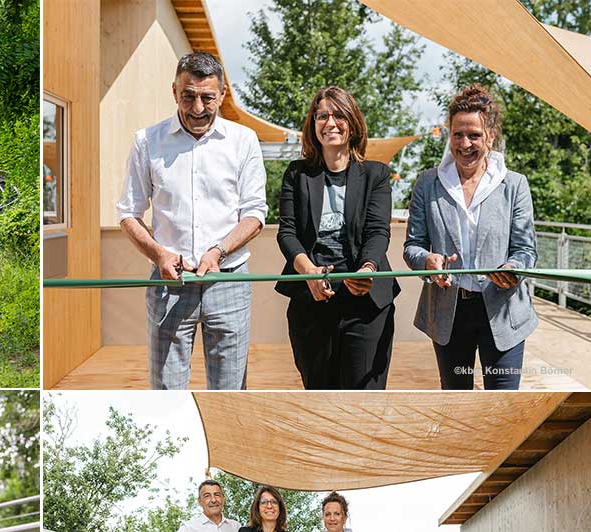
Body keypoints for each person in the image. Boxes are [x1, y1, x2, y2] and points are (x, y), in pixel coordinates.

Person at [117, 50, 267, 390]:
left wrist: (219, 251)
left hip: (229, 280)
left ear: (223, 95)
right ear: (174, 92)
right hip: (170, 283)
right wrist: (159, 254)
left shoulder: (244, 141)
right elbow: (128, 213)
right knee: (166, 392)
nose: (197, 108)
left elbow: (255, 213)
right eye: (188, 96)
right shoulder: (147, 142)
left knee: (229, 393)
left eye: (207, 98)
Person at [404, 83, 537, 389]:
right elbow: (412, 246)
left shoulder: (515, 185)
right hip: (449, 315)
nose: (465, 143)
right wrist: (427, 261)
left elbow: (526, 250)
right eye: (457, 134)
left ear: (490, 136)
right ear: (449, 135)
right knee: (456, 402)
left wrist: (512, 269)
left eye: (474, 135)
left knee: (502, 406)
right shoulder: (427, 184)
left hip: (503, 312)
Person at [276, 86, 399, 389]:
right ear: (313, 124)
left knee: (364, 397)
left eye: (339, 114)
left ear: (353, 121)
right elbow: (287, 232)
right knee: (319, 393)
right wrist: (308, 273)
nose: (330, 122)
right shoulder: (297, 174)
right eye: (322, 116)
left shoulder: (376, 175)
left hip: (366, 302)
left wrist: (367, 268)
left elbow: (378, 231)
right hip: (312, 300)